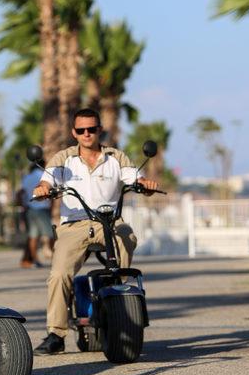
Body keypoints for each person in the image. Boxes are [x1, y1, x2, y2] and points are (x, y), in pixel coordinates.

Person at [31, 108, 158, 355]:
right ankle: (56, 334)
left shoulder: (116, 157)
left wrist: (145, 185)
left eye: (92, 129)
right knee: (58, 274)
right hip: (75, 224)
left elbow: (135, 179)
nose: (87, 134)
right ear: (74, 133)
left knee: (127, 236)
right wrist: (43, 188)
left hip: (109, 221)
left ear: (100, 130)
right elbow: (47, 181)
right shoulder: (63, 159)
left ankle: (122, 298)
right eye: (81, 130)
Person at [18, 161, 54, 268]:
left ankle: (35, 260)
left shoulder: (27, 177)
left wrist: (23, 205)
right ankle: (56, 258)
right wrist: (51, 207)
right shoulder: (43, 176)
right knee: (51, 235)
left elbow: (21, 193)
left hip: (30, 209)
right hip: (42, 209)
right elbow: (50, 191)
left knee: (33, 236)